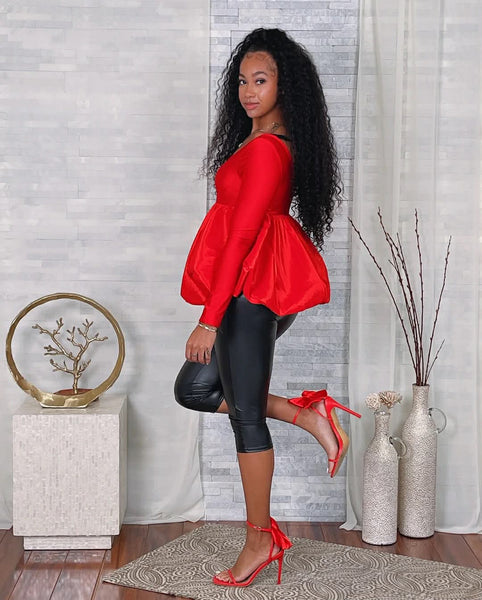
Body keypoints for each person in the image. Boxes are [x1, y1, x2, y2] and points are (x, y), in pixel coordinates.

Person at [174, 28, 361, 588]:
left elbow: (241, 236)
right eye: (242, 81)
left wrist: (209, 319)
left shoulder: (269, 150)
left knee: (246, 417)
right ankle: (307, 414)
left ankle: (259, 540)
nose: (249, 92)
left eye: (261, 80)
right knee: (195, 389)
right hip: (248, 289)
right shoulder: (256, 142)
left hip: (250, 292)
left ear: (285, 86)